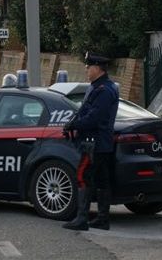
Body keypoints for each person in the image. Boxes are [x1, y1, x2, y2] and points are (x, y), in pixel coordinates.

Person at [63, 52, 119, 231]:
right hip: (99, 142)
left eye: (89, 66)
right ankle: (102, 219)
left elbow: (94, 117)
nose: (86, 69)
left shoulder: (103, 90)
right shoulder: (99, 87)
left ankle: (82, 219)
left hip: (93, 142)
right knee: (102, 180)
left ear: (98, 68)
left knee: (83, 177)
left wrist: (73, 125)